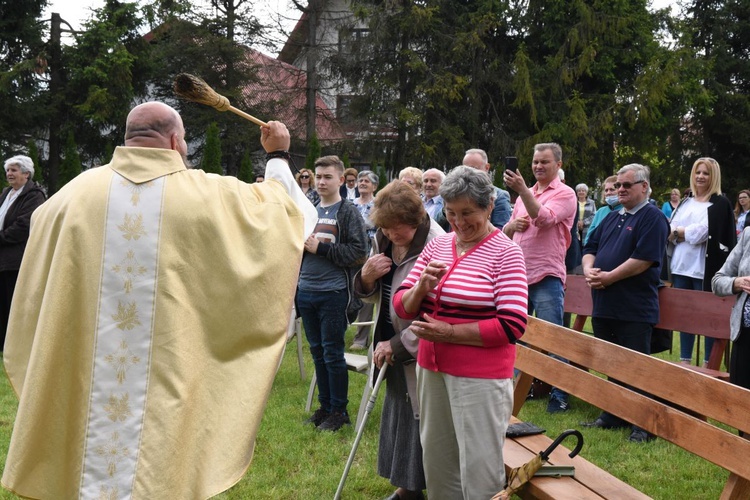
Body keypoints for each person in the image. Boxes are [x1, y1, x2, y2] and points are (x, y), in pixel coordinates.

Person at [1, 102, 318, 499]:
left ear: (128, 137)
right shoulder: (206, 195)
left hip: (84, 373)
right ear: (175, 141)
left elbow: (35, 290)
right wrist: (276, 156)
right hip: (167, 373)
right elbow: (287, 217)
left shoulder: (69, 198)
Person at [393, 165, 528, 499]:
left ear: (488, 206)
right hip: (431, 368)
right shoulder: (439, 246)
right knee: (438, 464)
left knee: (479, 468)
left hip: (479, 376)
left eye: (468, 213)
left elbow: (512, 325)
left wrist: (449, 333)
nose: (458, 222)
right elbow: (402, 306)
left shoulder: (506, 253)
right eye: (451, 213)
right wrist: (421, 287)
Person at [353, 180, 445, 500]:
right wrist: (366, 276)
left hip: (418, 345)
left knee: (416, 417)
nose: (392, 234)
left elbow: (438, 314)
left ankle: (411, 490)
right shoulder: (382, 238)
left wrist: (398, 344)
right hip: (387, 337)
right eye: (386, 228)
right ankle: (406, 487)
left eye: (398, 228)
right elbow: (373, 296)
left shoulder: (436, 244)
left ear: (417, 218)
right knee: (397, 413)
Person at [581, 163, 669, 443]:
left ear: (644, 186)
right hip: (604, 303)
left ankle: (641, 424)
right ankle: (612, 414)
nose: (620, 190)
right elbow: (589, 247)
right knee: (611, 362)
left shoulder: (653, 217)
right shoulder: (610, 217)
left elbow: (643, 260)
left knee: (635, 367)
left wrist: (608, 278)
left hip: (634, 306)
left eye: (626, 185)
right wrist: (588, 270)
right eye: (618, 185)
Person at [503, 142, 576, 413]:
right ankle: (520, 388)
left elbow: (544, 219)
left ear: (558, 165)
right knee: (517, 334)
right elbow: (506, 233)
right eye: (535, 162)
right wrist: (510, 226)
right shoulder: (525, 196)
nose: (538, 166)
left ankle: (560, 395)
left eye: (544, 162)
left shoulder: (565, 193)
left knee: (552, 337)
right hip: (518, 274)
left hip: (546, 275)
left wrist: (521, 189)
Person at [299, 155, 368, 432]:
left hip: (333, 293)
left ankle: (339, 411)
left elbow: (358, 253)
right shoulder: (311, 209)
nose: (321, 181)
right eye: (318, 176)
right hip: (306, 291)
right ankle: (324, 407)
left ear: (341, 179)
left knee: (332, 353)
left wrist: (322, 249)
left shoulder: (347, 212)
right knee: (317, 352)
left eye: (328, 176)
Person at [668, 157, 735, 366]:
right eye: (698, 172)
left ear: (713, 176)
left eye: (705, 173)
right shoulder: (686, 202)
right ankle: (685, 362)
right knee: (685, 317)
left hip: (703, 270)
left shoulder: (720, 203)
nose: (700, 176)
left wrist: (680, 233)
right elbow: (670, 228)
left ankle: (708, 364)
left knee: (708, 319)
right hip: (680, 268)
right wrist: (680, 232)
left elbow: (701, 233)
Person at [0, 155, 46, 348]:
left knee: (11, 302)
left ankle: (11, 344)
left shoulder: (35, 195)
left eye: (14, 170)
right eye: (8, 170)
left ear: (26, 174)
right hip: (2, 256)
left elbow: (23, 226)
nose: (9, 174)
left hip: (16, 259)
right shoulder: (6, 193)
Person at [712, 226, 750, 392]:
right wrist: (737, 283)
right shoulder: (748, 234)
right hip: (744, 335)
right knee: (740, 404)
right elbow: (717, 281)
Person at [350, 169, 380, 350]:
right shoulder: (351, 203)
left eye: (366, 181)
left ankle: (361, 339)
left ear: (374, 186)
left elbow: (374, 223)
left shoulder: (379, 204)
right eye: (361, 180)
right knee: (349, 291)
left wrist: (356, 226)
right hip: (351, 254)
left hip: (370, 254)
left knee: (366, 296)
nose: (362, 183)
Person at [462, 148, 512, 228]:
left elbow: (501, 230)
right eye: (465, 169)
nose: (469, 173)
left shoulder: (499, 196)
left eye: (474, 169)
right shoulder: (458, 193)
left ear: (487, 167)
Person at [584, 175, 620, 246]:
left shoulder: (627, 210)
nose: (608, 193)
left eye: (612, 189)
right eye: (606, 190)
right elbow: (589, 236)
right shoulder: (600, 212)